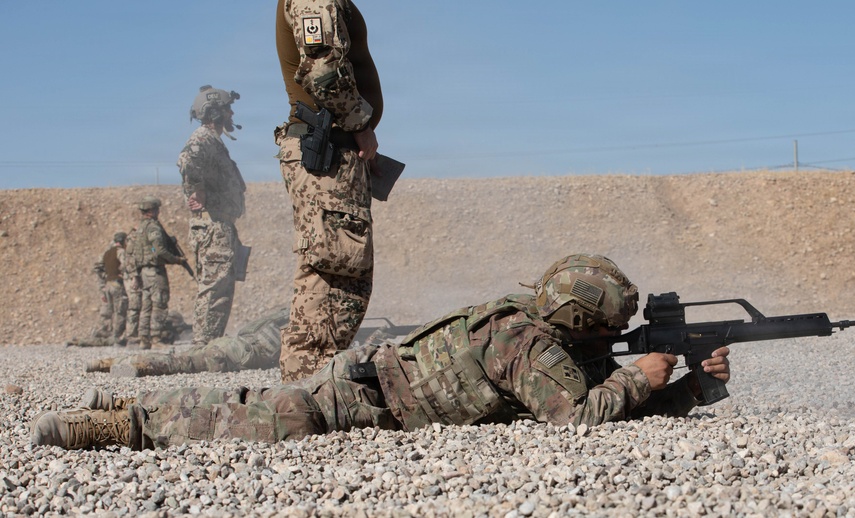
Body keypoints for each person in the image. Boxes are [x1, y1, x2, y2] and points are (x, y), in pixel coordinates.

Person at [30, 254, 731, 451]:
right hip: (364, 399)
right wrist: (640, 378)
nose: (611, 338)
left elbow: (601, 401)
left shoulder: (547, 334)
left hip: (379, 386)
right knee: (272, 416)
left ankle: (127, 405)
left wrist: (692, 387)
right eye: (606, 328)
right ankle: (118, 422)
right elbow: (577, 417)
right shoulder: (524, 342)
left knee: (258, 404)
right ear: (578, 321)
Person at [274, 0, 385, 382]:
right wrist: (359, 126)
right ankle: (307, 392)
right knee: (332, 276)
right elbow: (322, 69)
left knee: (343, 276)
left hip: (337, 150)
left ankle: (313, 390)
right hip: (329, 150)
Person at [83, 308, 414, 378]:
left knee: (186, 354)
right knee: (186, 363)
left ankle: (108, 362)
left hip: (238, 341)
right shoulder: (307, 330)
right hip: (243, 352)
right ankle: (139, 367)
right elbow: (341, 354)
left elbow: (256, 326)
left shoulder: (288, 316)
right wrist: (375, 339)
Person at [177, 85, 247, 346]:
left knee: (220, 287)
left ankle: (209, 344)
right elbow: (187, 160)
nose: (231, 114)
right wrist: (197, 190)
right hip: (213, 225)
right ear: (215, 112)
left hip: (220, 224)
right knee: (214, 287)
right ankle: (204, 346)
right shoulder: (202, 139)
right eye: (227, 109)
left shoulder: (214, 142)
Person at [127, 196, 188, 349]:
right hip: (155, 272)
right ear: (152, 210)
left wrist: (135, 275)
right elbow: (159, 250)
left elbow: (133, 253)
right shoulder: (153, 227)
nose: (159, 212)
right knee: (159, 304)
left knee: (146, 306)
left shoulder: (140, 229)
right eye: (157, 209)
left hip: (144, 273)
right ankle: (156, 339)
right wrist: (176, 260)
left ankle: (144, 340)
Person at [66, 232, 129, 347]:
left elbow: (98, 267)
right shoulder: (120, 252)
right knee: (119, 310)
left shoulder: (107, 253)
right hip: (116, 284)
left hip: (108, 285)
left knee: (108, 311)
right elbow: (126, 266)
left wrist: (105, 280)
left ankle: (103, 333)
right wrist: (122, 274)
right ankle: (116, 337)